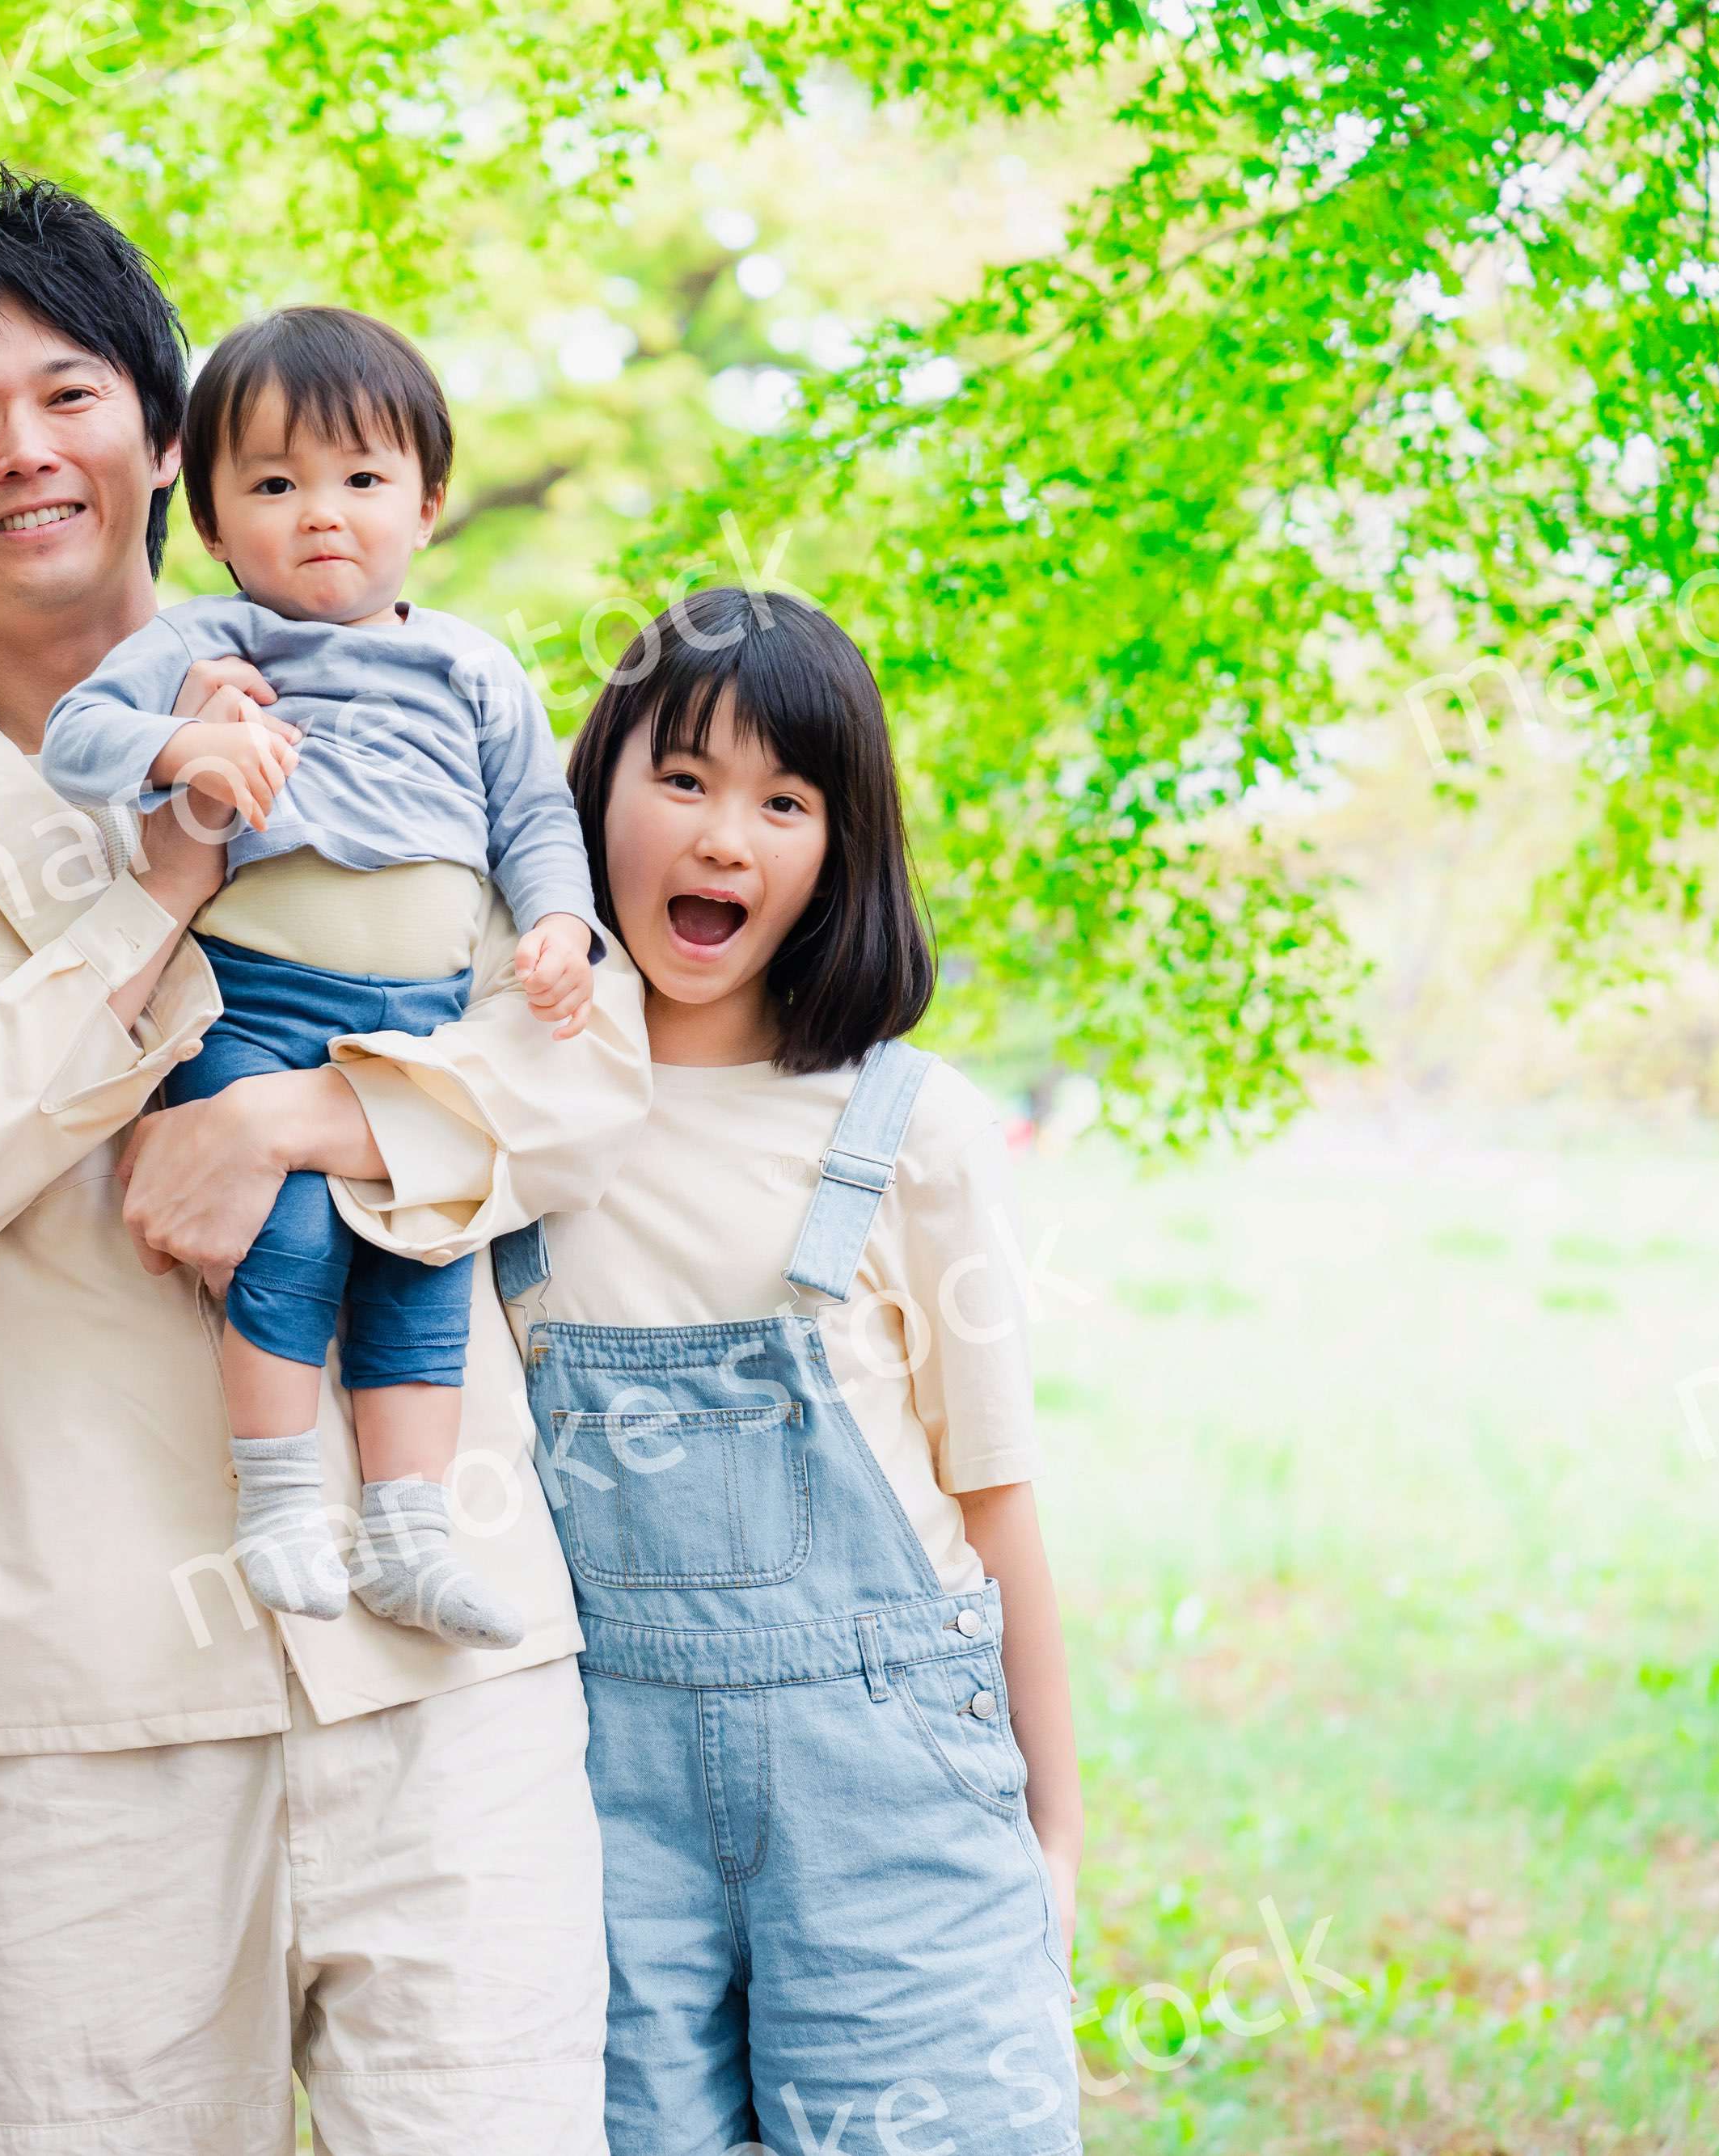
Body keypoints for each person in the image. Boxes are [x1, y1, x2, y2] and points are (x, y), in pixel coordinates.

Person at [0, 164, 650, 2155]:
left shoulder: (403, 673)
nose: (20, 452)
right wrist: (143, 906)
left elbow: (591, 1075)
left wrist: (293, 1117)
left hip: (441, 1669)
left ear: (162, 434)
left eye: (67, 394)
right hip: (78, 1715)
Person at [505, 585, 1085, 2153]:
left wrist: (1055, 1835)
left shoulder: (910, 1129)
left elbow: (997, 1499)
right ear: (591, 794)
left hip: (890, 1788)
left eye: (783, 800)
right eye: (679, 780)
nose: (721, 837)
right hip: (588, 1786)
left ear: (838, 849)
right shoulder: (506, 1110)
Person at [40, 305, 606, 1648]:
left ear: (428, 501)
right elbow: (77, 737)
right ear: (216, 517)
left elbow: (534, 818)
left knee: (426, 1253)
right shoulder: (210, 640)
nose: (322, 516)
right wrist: (184, 749)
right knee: (284, 1241)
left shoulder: (471, 663)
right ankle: (281, 1501)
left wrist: (563, 928)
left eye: (363, 481)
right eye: (275, 486)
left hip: (424, 1025)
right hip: (263, 1008)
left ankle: (411, 1532)